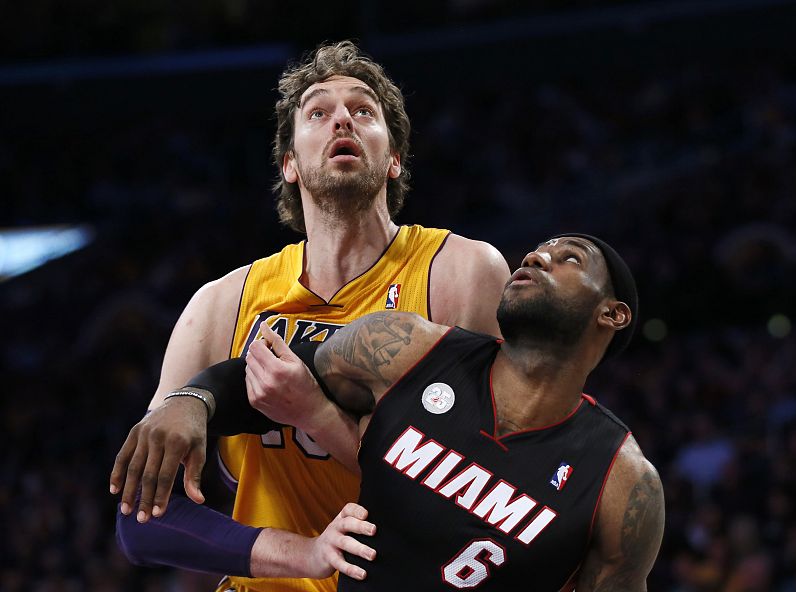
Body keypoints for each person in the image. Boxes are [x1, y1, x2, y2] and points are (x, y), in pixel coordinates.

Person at [110, 40, 510, 592]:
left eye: (363, 110)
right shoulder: (221, 305)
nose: (342, 118)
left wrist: (319, 415)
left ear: (394, 158)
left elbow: (492, 487)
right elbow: (141, 520)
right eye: (318, 112)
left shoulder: (461, 272)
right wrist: (306, 554)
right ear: (290, 164)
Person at [114, 233, 665, 590]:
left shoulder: (622, 482)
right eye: (536, 252)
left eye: (569, 259)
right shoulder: (407, 347)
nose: (537, 256)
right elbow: (270, 378)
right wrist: (193, 400)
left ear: (612, 314)